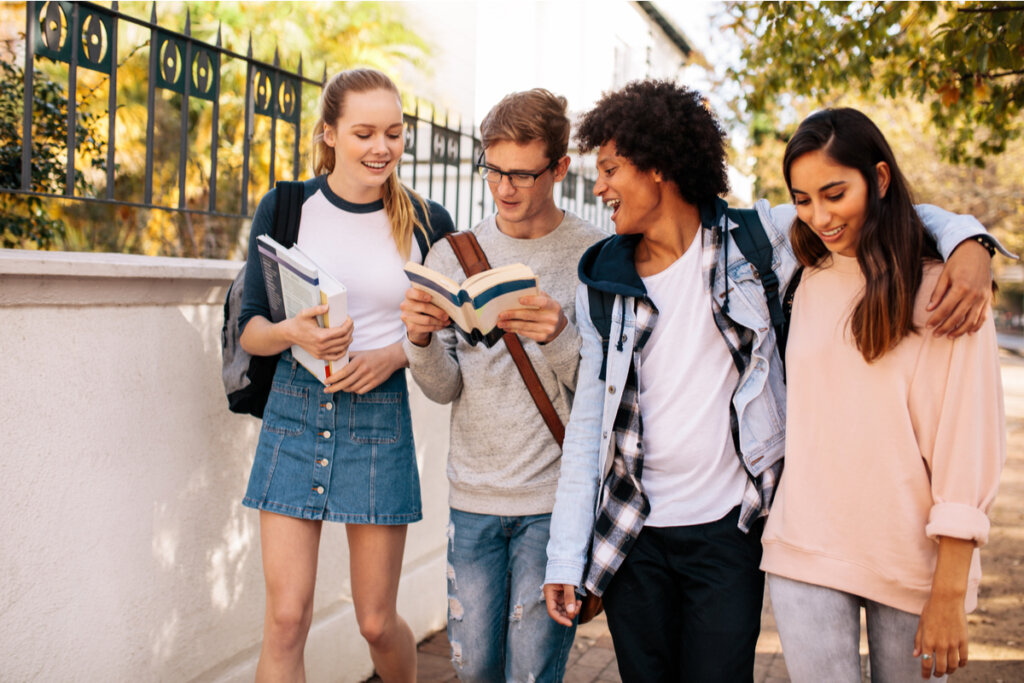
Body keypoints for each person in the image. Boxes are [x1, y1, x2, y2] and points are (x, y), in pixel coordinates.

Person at [541, 80, 1003, 683]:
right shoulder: (603, 280)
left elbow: (883, 210)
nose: (596, 186)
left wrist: (970, 242)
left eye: (610, 169)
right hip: (637, 530)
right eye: (804, 199)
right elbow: (590, 430)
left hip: (731, 527)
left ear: (658, 168)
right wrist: (565, 552)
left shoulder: (760, 244)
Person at [761, 107, 1006, 682]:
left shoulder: (950, 290)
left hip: (914, 566)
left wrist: (948, 591)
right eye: (802, 199)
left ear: (881, 178)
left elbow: (967, 446)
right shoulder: (802, 275)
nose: (819, 216)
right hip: (805, 547)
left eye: (834, 193)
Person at [238, 68, 453, 682]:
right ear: (329, 133)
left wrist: (394, 356)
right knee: (286, 618)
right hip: (294, 410)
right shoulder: (286, 208)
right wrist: (291, 333)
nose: (380, 147)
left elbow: (456, 332)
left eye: (393, 131)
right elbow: (250, 329)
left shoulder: (427, 221)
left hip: (380, 417)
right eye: (363, 132)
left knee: (376, 621)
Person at [399, 89, 606, 682]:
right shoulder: (453, 254)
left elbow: (609, 395)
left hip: (553, 505)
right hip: (473, 501)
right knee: (475, 672)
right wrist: (417, 341)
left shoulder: (595, 254)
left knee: (531, 675)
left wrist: (561, 337)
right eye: (492, 170)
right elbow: (444, 389)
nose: (505, 188)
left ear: (560, 169)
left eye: (522, 173)